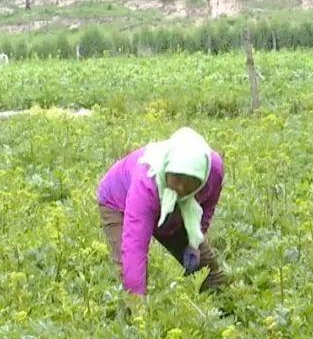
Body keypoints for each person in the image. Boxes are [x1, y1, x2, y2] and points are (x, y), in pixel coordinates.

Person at [97, 127, 227, 297]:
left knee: (209, 270)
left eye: (190, 181)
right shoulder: (146, 184)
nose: (182, 187)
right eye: (178, 178)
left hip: (171, 202)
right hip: (117, 201)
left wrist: (195, 240)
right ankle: (130, 319)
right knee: (131, 272)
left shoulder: (213, 171)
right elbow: (134, 248)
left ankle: (222, 310)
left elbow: (207, 205)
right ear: (167, 169)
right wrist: (138, 308)